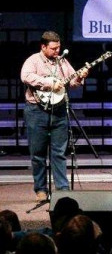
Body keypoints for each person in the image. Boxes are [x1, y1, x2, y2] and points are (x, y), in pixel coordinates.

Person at [20, 31, 89, 202]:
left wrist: (80, 77)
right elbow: (26, 76)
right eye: (53, 48)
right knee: (38, 153)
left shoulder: (62, 61)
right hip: (37, 111)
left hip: (59, 111)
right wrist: (50, 82)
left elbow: (72, 82)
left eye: (58, 47)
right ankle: (41, 189)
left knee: (59, 152)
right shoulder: (33, 60)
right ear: (43, 47)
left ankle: (62, 189)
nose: (57, 51)